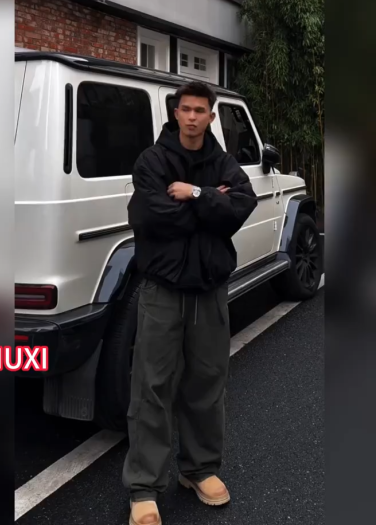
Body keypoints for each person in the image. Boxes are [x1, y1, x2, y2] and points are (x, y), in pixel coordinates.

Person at [123, 81, 258, 525]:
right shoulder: (152, 161)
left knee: (207, 382)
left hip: (209, 290)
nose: (193, 117)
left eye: (201, 110)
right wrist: (211, 205)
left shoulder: (224, 162)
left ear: (211, 116)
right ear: (175, 113)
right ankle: (144, 487)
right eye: (186, 109)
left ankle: (199, 469)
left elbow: (240, 207)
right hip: (162, 290)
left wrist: (195, 194)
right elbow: (148, 216)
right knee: (152, 387)